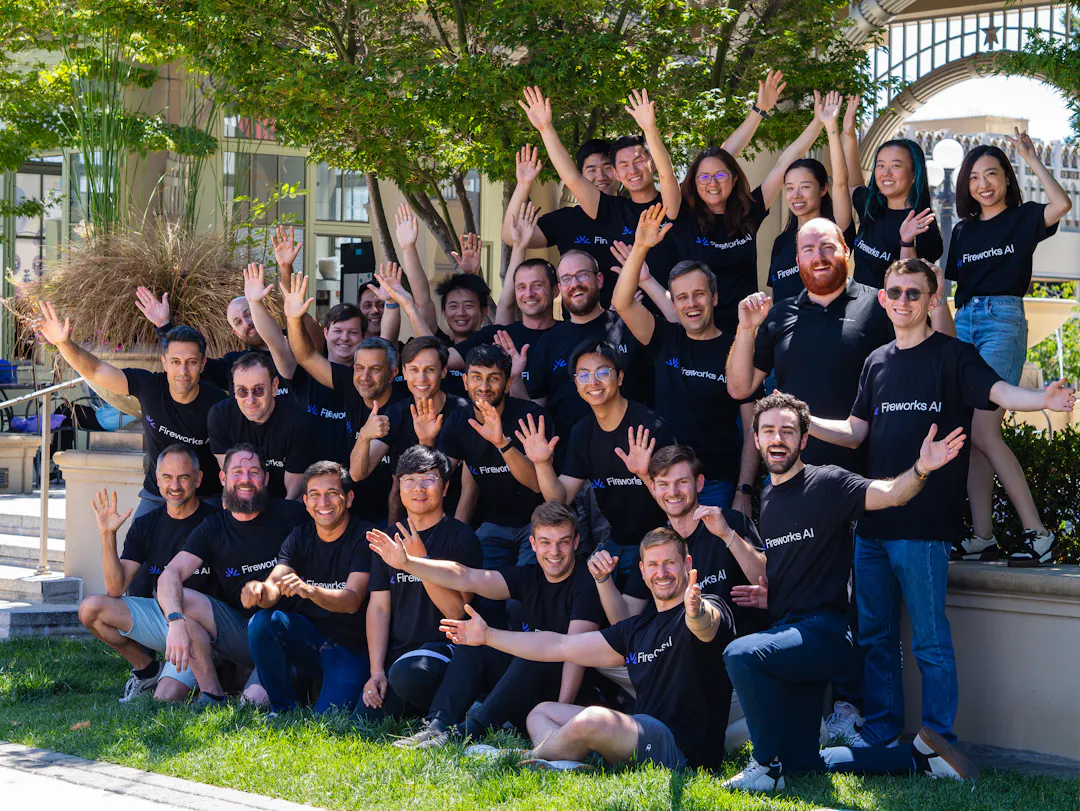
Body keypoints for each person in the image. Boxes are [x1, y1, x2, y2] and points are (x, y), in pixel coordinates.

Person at [807, 258, 1075, 748]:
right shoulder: (876, 362)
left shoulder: (954, 356)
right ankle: (882, 732)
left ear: (933, 300)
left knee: (930, 643)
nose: (903, 301)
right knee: (876, 639)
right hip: (872, 526)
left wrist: (1043, 399)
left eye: (914, 293)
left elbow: (999, 391)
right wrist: (804, 421)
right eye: (894, 292)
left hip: (924, 529)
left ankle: (937, 743)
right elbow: (855, 432)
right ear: (883, 299)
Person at [721, 391, 979, 791]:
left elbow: (891, 494)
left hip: (824, 633)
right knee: (804, 765)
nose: (777, 439)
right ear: (755, 439)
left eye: (787, 431)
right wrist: (731, 541)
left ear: (804, 439)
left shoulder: (827, 483)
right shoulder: (768, 497)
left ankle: (765, 765)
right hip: (791, 634)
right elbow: (775, 569)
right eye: (768, 431)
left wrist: (921, 469)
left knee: (740, 653)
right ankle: (919, 759)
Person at [442, 527, 735, 772]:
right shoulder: (636, 629)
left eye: (669, 563)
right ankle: (567, 763)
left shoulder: (708, 606)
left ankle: (522, 757)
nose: (662, 572)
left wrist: (695, 613)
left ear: (686, 564)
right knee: (542, 712)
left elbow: (705, 625)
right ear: (642, 571)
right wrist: (489, 636)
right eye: (653, 565)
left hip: (682, 751)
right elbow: (559, 645)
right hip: (643, 732)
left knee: (595, 718)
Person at [510, 76, 786, 298]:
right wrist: (546, 128)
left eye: (639, 161)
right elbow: (572, 177)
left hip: (672, 317)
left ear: (651, 164)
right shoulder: (610, 210)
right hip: (622, 320)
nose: (633, 170)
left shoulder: (672, 204)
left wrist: (650, 129)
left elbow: (706, 161)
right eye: (624, 165)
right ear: (616, 174)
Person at [369, 500, 605, 748]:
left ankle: (468, 731)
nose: (554, 552)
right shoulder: (528, 576)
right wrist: (409, 563)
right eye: (545, 542)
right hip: (523, 690)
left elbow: (577, 654)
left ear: (576, 542)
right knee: (476, 642)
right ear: (533, 544)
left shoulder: (585, 583)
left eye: (563, 542)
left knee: (535, 648)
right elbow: (466, 576)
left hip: (562, 699)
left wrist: (559, 712)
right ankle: (437, 725)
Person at [947, 134, 1073, 565]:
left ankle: (1039, 534)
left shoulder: (1023, 219)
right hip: (965, 320)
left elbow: (1062, 205)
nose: (983, 184)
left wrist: (1032, 158)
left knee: (984, 431)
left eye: (992, 175)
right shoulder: (962, 231)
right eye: (974, 177)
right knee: (973, 436)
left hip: (1002, 321)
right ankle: (983, 535)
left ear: (1006, 179)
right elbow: (956, 287)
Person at [612, 203, 760, 511]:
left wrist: (744, 491)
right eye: (681, 297)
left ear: (714, 298)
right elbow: (622, 303)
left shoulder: (737, 348)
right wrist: (640, 247)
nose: (691, 303)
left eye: (699, 294)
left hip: (717, 485)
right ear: (675, 303)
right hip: (665, 482)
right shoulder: (664, 337)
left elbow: (751, 428)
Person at [669, 91, 845, 331]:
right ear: (694, 181)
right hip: (698, 331)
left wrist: (818, 122)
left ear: (734, 179)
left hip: (746, 330)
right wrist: (757, 111)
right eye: (704, 177)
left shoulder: (747, 211)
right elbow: (680, 170)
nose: (713, 183)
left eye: (721, 175)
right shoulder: (683, 215)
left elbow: (783, 164)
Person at [34, 303, 226, 517]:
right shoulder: (149, 386)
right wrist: (63, 343)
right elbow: (96, 370)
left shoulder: (217, 403)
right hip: (157, 496)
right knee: (135, 539)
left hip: (206, 497)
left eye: (191, 362)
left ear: (203, 364)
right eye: (175, 361)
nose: (183, 370)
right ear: (164, 363)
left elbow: (227, 459)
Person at [156, 444, 308, 707]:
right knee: (183, 598)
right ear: (223, 478)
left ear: (266, 478)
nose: (245, 479)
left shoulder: (292, 515)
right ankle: (212, 694)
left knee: (251, 704)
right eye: (237, 472)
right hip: (243, 631)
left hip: (286, 632)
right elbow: (170, 574)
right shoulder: (213, 527)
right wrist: (176, 622)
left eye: (253, 472)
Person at [516, 341, 675, 589]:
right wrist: (542, 464)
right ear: (576, 383)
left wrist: (645, 475)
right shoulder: (582, 432)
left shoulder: (649, 426)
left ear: (620, 377)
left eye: (602, 372)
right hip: (616, 542)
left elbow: (676, 499)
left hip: (660, 542)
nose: (593, 382)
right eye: (584, 375)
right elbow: (560, 498)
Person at [76, 445, 219, 703]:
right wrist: (108, 535)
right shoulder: (146, 524)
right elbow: (115, 588)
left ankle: (210, 672)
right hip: (163, 618)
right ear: (157, 480)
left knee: (164, 698)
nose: (174, 486)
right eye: (167, 477)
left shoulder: (216, 522)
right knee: (91, 610)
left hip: (199, 627)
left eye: (183, 477)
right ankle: (147, 670)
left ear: (198, 479)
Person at [358, 446, 482, 720]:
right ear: (399, 487)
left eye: (428, 479)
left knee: (409, 674)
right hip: (399, 656)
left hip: (446, 653)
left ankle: (459, 707)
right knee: (365, 718)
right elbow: (379, 608)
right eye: (410, 480)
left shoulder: (462, 538)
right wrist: (376, 671)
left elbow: (457, 611)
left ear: (445, 488)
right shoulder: (389, 539)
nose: (419, 488)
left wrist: (420, 562)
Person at [245, 461, 374, 714]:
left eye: (331, 493)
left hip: (351, 648)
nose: (322, 502)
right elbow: (276, 582)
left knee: (328, 719)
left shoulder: (365, 536)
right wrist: (260, 592)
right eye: (314, 495)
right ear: (305, 501)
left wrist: (310, 590)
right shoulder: (300, 536)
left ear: (349, 498)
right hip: (310, 641)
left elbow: (352, 601)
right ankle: (282, 709)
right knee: (261, 623)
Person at [589, 444, 766, 627]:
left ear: (699, 483)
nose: (673, 492)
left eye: (682, 482)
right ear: (653, 488)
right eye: (664, 484)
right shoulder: (654, 544)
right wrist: (603, 579)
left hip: (740, 638)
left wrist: (728, 535)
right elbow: (625, 619)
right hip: (684, 643)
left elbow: (766, 582)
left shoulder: (731, 522)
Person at [134, 224, 324, 395]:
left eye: (249, 313)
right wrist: (163, 325)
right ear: (236, 333)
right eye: (238, 322)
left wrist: (285, 267)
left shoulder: (295, 341)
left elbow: (299, 317)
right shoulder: (234, 363)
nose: (247, 323)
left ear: (263, 310)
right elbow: (194, 365)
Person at [439, 344, 548, 568]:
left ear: (507, 384)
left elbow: (537, 484)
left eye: (494, 378)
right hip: (494, 523)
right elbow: (437, 478)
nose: (484, 386)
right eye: (476, 377)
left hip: (538, 520)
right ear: (465, 382)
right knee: (470, 575)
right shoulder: (458, 421)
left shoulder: (530, 416)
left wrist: (501, 443)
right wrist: (425, 442)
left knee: (525, 585)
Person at [523, 251, 650, 444]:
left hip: (632, 450)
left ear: (599, 280)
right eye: (566, 279)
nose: (574, 284)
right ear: (560, 288)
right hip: (568, 454)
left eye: (582, 275)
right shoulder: (548, 342)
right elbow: (536, 409)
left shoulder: (630, 328)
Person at [241, 262, 366, 456]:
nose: (344, 338)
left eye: (353, 332)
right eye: (338, 331)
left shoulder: (366, 381)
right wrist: (255, 303)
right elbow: (276, 343)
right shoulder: (305, 372)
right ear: (325, 333)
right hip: (304, 471)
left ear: (363, 337)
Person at [350, 336, 470, 524]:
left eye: (429, 370)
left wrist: (426, 442)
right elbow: (357, 474)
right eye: (414, 370)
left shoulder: (462, 412)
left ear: (443, 371)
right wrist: (364, 436)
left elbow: (437, 483)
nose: (421, 378)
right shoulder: (397, 412)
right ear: (404, 372)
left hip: (453, 518)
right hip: (411, 521)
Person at [767, 94, 855, 302]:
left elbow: (841, 183)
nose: (796, 195)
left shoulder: (835, 230)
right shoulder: (781, 242)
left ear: (823, 189)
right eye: (790, 188)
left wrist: (830, 127)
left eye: (805, 187)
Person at [841, 111, 943, 288]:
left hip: (891, 305)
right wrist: (849, 135)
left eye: (896, 166)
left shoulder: (922, 225)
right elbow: (853, 184)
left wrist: (906, 242)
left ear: (914, 175)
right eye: (880, 165)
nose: (886, 173)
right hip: (858, 303)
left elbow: (914, 285)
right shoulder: (871, 206)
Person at [207, 353, 317, 500]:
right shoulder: (220, 415)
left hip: (282, 502)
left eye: (258, 390)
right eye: (242, 391)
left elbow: (293, 494)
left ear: (274, 387)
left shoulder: (298, 423)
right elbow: (232, 479)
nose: (250, 400)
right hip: (242, 499)